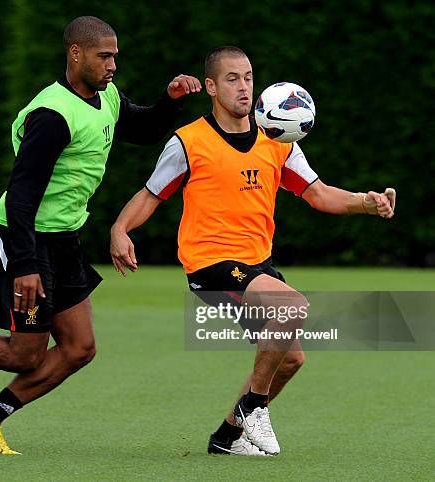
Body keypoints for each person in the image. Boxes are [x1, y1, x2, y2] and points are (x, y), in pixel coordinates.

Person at [0, 16, 201, 455]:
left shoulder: (107, 99)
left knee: (79, 348)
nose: (112, 65)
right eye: (104, 56)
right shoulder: (51, 115)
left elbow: (140, 128)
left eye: (115, 56)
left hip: (64, 239)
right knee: (24, 354)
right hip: (23, 236)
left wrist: (170, 101)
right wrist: (25, 266)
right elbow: (22, 195)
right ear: (76, 53)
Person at [110, 46, 396, 457]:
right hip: (209, 264)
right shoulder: (188, 142)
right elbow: (150, 195)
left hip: (257, 265)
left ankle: (225, 438)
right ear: (210, 86)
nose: (243, 86)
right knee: (291, 306)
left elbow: (319, 194)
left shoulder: (277, 137)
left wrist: (365, 202)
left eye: (247, 77)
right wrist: (120, 229)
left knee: (292, 360)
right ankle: (253, 407)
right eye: (231, 78)